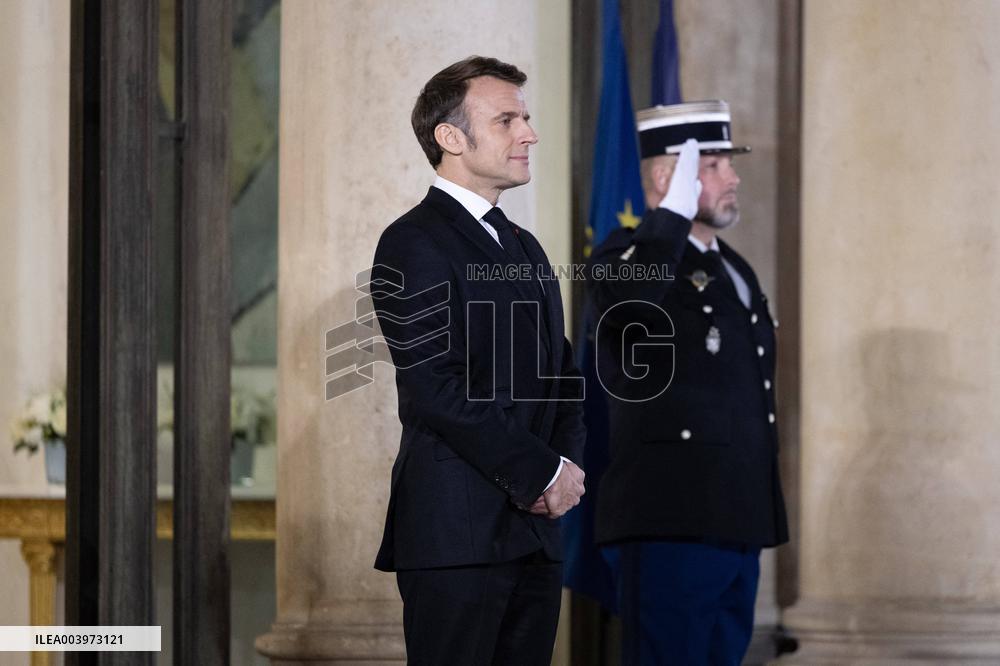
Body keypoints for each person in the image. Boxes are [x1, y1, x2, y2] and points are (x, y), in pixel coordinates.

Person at [370, 56, 587, 665]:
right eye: (507, 120)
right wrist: (541, 473)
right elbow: (435, 388)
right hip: (457, 535)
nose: (529, 134)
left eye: (526, 118)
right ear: (451, 137)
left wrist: (564, 470)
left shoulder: (524, 245)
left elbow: (562, 376)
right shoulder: (412, 241)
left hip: (535, 534)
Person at [587, 100, 789, 665]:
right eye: (714, 165)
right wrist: (670, 219)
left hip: (735, 515)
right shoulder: (626, 254)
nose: (734, 177)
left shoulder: (733, 266)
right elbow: (625, 303)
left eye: (729, 164)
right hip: (669, 516)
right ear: (665, 179)